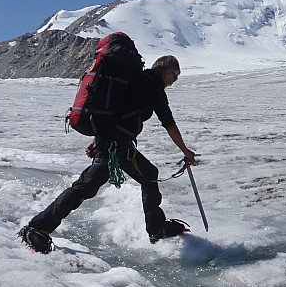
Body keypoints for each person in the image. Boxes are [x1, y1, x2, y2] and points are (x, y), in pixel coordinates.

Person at [18, 55, 198, 254]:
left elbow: (116, 111)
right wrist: (186, 151)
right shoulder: (153, 87)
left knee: (148, 174)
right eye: (175, 77)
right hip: (116, 145)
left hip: (116, 143)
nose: (174, 82)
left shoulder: (136, 79)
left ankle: (156, 228)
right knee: (85, 186)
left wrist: (98, 139)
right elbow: (169, 123)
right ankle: (38, 227)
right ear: (166, 72)